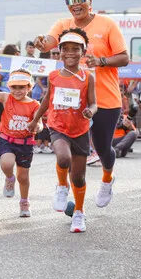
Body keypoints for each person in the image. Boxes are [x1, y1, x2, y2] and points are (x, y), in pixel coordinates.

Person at [33, 0, 129, 208]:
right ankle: (64, 188)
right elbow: (49, 41)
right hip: (70, 99)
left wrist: (102, 62)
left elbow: (124, 57)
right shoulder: (63, 24)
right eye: (69, 0)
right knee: (69, 151)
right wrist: (40, 43)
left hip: (104, 98)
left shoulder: (107, 24)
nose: (75, 4)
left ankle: (107, 178)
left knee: (104, 149)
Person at [29, 28, 97, 233]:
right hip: (58, 126)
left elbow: (94, 103)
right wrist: (35, 119)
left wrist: (90, 111)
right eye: (65, 49)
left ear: (82, 52)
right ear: (59, 52)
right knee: (63, 159)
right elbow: (47, 99)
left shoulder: (88, 77)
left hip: (80, 129)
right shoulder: (53, 76)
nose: (70, 53)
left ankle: (78, 212)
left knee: (78, 177)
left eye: (75, 49)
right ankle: (61, 187)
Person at [0, 65, 40, 217]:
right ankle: (9, 178)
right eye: (14, 87)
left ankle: (24, 201)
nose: (17, 90)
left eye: (21, 87)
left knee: (23, 177)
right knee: (7, 163)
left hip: (25, 144)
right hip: (7, 140)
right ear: (9, 87)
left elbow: (39, 123)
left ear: (29, 87)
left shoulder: (35, 105)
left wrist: (37, 127)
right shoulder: (6, 98)